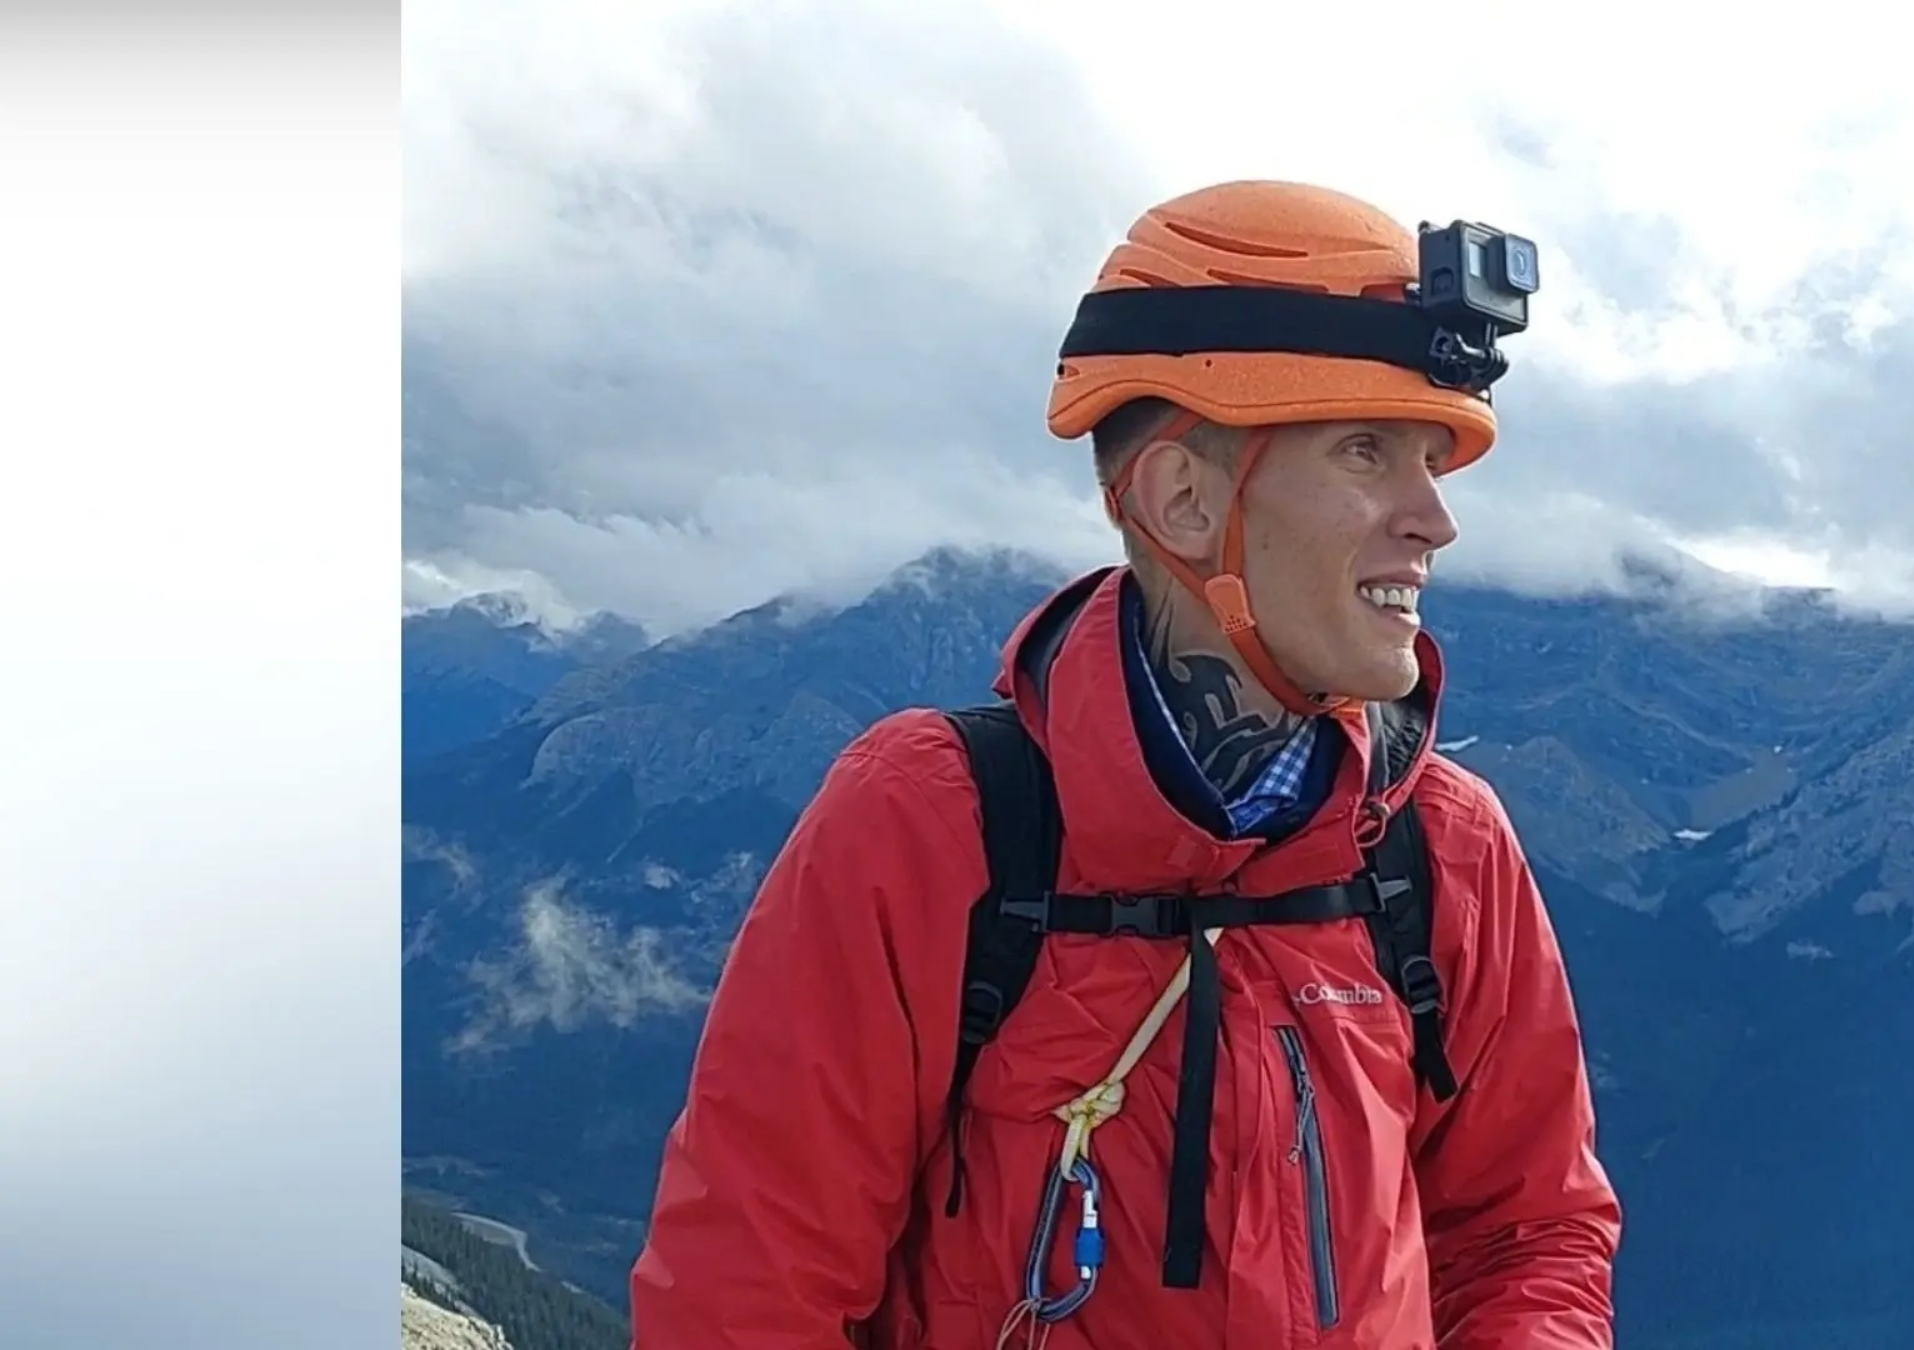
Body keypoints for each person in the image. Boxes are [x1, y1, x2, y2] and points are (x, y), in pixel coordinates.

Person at [628, 179, 1623, 1349]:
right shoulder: (931, 820)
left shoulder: (1442, 844)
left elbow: (1529, 1236)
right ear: (1184, 502)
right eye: (1368, 452)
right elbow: (749, 1290)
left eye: (1432, 464)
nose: (1434, 521)